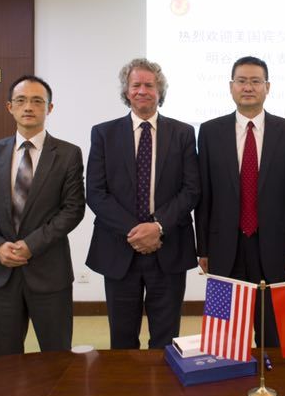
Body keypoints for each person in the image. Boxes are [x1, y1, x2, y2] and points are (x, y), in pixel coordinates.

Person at [85, 58, 200, 349]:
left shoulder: (183, 133)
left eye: (149, 85)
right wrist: (138, 231)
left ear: (160, 91)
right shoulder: (103, 133)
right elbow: (96, 192)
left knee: (166, 337)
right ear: (126, 91)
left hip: (168, 248)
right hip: (118, 248)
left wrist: (157, 227)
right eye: (136, 85)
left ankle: (164, 394)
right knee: (122, 338)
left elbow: (191, 189)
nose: (142, 91)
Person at [196, 56, 285, 347]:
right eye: (242, 81)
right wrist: (203, 247)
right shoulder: (209, 132)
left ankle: (270, 384)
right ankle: (226, 386)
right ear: (231, 87)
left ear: (267, 87)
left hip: (272, 246)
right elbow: (204, 195)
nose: (248, 87)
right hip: (223, 247)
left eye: (256, 81)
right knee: (225, 335)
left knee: (271, 331)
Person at [0, 75, 85, 356]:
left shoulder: (68, 154)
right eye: (21, 100)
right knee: (6, 355)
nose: (29, 107)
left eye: (38, 101)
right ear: (9, 106)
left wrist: (30, 245)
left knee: (57, 353)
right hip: (3, 271)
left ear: (49, 108)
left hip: (49, 272)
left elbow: (73, 209)